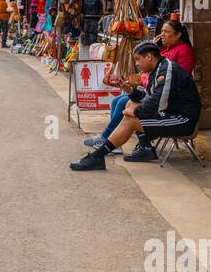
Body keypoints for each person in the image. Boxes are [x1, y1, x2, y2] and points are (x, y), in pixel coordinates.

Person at [70, 40, 201, 171]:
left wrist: (135, 113)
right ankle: (145, 148)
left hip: (182, 120)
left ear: (149, 56)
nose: (137, 64)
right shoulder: (157, 70)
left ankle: (97, 157)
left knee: (131, 119)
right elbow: (147, 97)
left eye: (138, 59)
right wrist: (130, 91)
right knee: (130, 103)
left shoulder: (167, 70)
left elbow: (157, 102)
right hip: (169, 113)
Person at [83, 19, 195, 156]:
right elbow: (153, 89)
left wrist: (136, 112)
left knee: (130, 111)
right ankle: (108, 149)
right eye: (162, 32)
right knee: (127, 103)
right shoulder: (161, 58)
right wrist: (132, 90)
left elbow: (161, 97)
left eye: (166, 32)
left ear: (177, 35)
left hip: (178, 114)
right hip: (165, 103)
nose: (162, 34)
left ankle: (102, 150)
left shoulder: (177, 58)